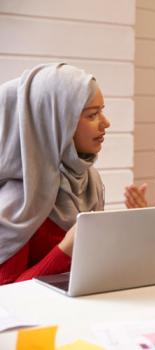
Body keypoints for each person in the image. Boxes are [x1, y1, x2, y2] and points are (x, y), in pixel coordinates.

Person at [0, 63, 110, 285]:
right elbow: (7, 295)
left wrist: (134, 229)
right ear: (56, 123)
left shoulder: (89, 181)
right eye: (92, 115)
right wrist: (65, 250)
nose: (106, 123)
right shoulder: (19, 201)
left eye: (102, 111)